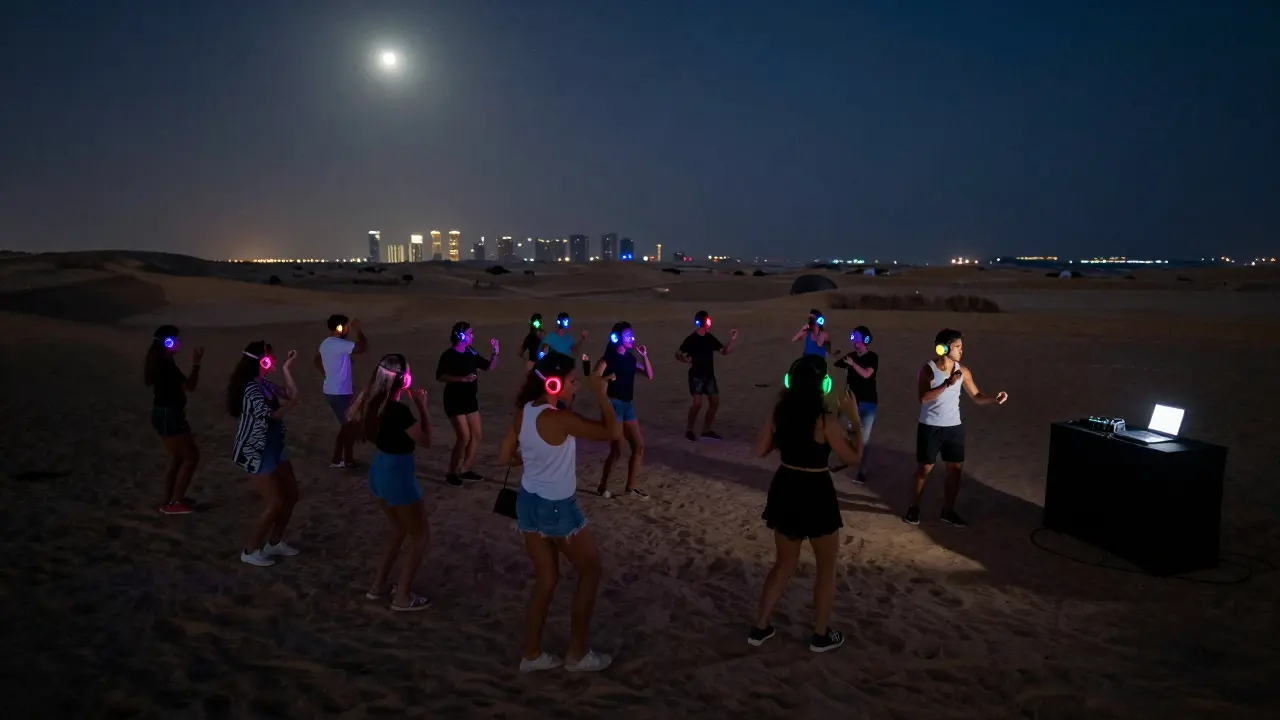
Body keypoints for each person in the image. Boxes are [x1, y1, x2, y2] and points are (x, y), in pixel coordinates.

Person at [499, 352, 621, 673]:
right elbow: (611, 432)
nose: (575, 386)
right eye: (571, 381)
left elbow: (505, 456)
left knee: (547, 579)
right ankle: (578, 654)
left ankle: (531, 654)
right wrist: (601, 393)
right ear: (553, 382)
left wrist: (537, 459)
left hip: (529, 502)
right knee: (591, 570)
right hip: (556, 507)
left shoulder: (523, 413)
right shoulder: (558, 419)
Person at [750, 355, 863, 653]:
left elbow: (761, 449)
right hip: (815, 492)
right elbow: (853, 458)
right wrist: (854, 419)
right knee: (826, 567)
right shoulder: (824, 420)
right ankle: (820, 635)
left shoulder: (780, 413)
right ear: (821, 384)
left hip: (786, 487)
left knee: (784, 563)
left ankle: (760, 626)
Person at [348, 353, 433, 611]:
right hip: (398, 473)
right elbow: (425, 440)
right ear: (402, 380)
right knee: (420, 536)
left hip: (379, 469)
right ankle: (402, 596)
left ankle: (379, 585)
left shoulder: (373, 403)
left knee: (398, 530)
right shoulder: (397, 410)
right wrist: (422, 406)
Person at [903, 329, 1008, 527]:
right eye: (957, 347)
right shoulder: (928, 370)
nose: (961, 350)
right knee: (925, 469)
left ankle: (948, 511)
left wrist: (994, 398)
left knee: (955, 471)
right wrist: (947, 384)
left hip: (953, 428)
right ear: (944, 348)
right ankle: (913, 508)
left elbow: (976, 396)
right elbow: (923, 398)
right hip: (930, 427)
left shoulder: (963, 371)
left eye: (961, 346)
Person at [228, 341, 302, 567]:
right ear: (261, 361)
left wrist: (286, 370)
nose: (275, 360)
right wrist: (294, 403)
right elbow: (274, 415)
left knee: (291, 495)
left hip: (274, 445)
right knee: (275, 504)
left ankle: (275, 542)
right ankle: (250, 549)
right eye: (271, 357)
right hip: (256, 449)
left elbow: (289, 393)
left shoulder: (265, 384)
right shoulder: (250, 389)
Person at [144, 325, 203, 515]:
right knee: (191, 457)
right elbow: (189, 386)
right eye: (174, 339)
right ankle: (175, 502)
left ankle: (170, 499)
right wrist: (196, 364)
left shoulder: (162, 362)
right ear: (167, 342)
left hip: (162, 413)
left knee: (177, 458)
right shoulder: (165, 364)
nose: (179, 342)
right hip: (170, 414)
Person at [436, 321, 499, 487]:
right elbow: (440, 376)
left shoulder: (471, 352)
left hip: (470, 399)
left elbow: (489, 367)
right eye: (470, 333)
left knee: (476, 435)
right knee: (464, 436)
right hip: (454, 400)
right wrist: (461, 379)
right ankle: (452, 472)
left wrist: (495, 353)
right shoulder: (448, 355)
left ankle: (465, 469)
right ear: (461, 336)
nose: (473, 336)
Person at [595, 322, 653, 499]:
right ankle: (603, 486)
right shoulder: (608, 359)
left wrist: (644, 356)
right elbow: (594, 379)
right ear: (618, 338)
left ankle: (630, 488)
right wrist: (607, 378)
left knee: (639, 446)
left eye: (632, 335)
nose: (632, 338)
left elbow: (649, 375)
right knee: (617, 450)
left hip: (628, 405)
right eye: (628, 335)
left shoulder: (630, 359)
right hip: (613, 405)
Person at [314, 314, 369, 469]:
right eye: (346, 326)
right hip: (338, 392)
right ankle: (339, 459)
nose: (348, 329)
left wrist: (328, 373)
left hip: (336, 390)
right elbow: (363, 347)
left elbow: (317, 359)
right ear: (339, 327)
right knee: (349, 425)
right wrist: (359, 330)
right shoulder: (338, 344)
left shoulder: (327, 343)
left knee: (347, 425)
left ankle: (344, 459)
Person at [674, 310, 738, 441]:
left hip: (709, 375)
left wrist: (732, 339)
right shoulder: (692, 339)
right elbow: (678, 353)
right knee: (697, 404)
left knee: (714, 402)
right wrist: (684, 360)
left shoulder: (710, 338)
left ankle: (706, 429)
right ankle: (690, 429)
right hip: (696, 375)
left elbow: (724, 351)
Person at [832, 325, 878, 483]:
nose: (854, 339)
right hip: (852, 404)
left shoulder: (872, 357)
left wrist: (853, 364)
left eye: (857, 336)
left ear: (865, 339)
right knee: (849, 436)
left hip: (868, 404)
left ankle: (862, 472)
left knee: (863, 440)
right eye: (853, 336)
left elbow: (867, 374)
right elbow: (837, 364)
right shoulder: (851, 355)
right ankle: (849, 459)